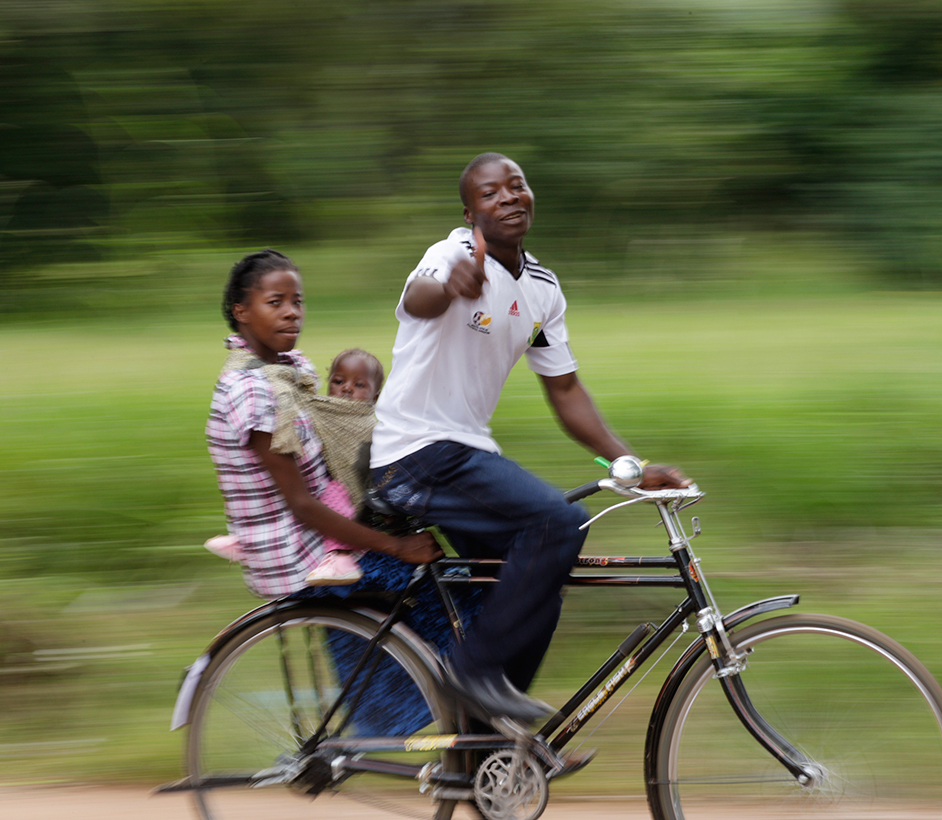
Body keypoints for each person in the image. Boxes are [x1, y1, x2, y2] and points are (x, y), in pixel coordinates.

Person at [370, 153, 688, 724]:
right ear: (470, 213)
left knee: (538, 583)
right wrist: (451, 287)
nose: (509, 197)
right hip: (416, 453)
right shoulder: (454, 254)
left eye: (517, 186)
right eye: (490, 193)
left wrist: (633, 467)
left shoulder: (541, 289)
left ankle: (491, 746)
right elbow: (419, 296)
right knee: (558, 524)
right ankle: (469, 676)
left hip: (462, 453)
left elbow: (564, 391)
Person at [206, 249, 442, 600]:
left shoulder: (286, 371)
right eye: (275, 302)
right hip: (302, 557)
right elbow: (301, 503)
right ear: (241, 312)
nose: (292, 312)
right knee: (441, 590)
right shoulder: (255, 392)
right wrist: (396, 546)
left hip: (321, 534)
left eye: (297, 301)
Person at [302, 348, 386, 585]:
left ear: (375, 397)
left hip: (351, 497)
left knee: (333, 493)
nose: (347, 388)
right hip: (313, 482)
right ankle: (252, 537)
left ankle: (340, 556)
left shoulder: (370, 427)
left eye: (359, 385)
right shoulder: (318, 412)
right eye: (338, 382)